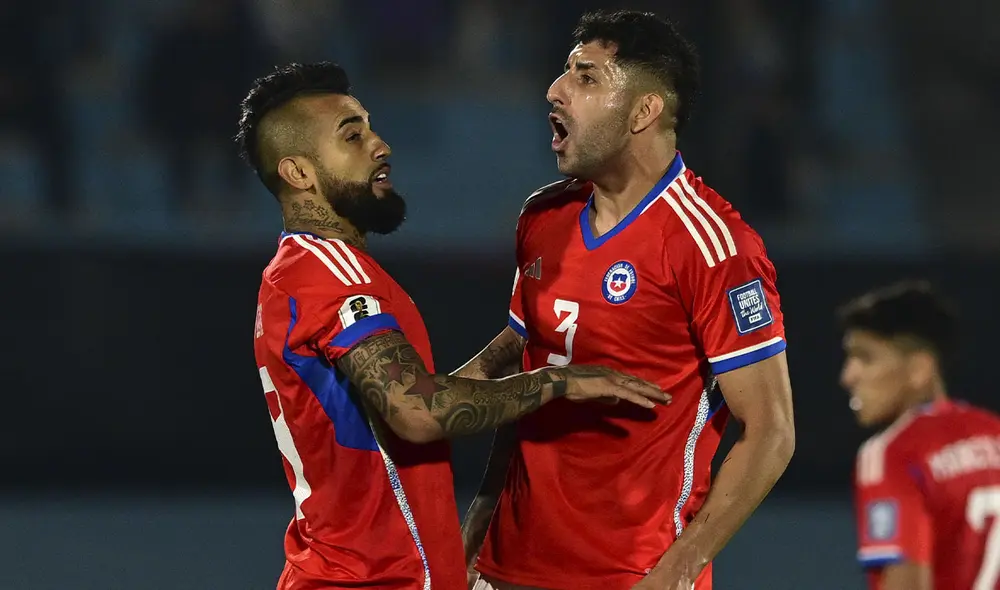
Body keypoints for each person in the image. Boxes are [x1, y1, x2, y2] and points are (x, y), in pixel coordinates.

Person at [236, 62, 670, 590]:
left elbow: (402, 409)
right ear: (299, 173)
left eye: (370, 126)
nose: (380, 145)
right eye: (352, 135)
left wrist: (518, 343)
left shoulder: (304, 270)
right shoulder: (331, 275)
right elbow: (419, 412)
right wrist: (560, 383)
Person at [457, 10, 795, 590]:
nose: (555, 91)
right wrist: (471, 539)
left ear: (644, 112)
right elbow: (527, 377)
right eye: (565, 72)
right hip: (506, 569)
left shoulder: (713, 246)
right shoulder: (543, 217)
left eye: (586, 78)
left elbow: (771, 431)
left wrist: (674, 574)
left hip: (629, 575)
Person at [840, 281, 1000, 590]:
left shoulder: (892, 454)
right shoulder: (994, 433)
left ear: (919, 369)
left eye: (865, 358)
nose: (848, 376)